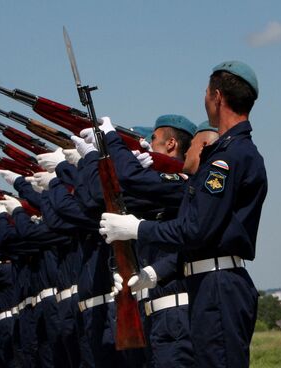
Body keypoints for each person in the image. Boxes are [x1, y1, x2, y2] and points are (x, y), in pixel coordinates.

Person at [99, 60, 267, 368]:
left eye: (205, 92)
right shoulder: (229, 154)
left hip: (217, 284)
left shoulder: (228, 158)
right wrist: (157, 271)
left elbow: (196, 230)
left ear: (217, 96)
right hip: (208, 280)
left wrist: (138, 229)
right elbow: (203, 235)